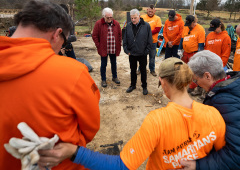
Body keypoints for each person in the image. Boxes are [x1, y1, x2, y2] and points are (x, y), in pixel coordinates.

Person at [37, 57, 226, 170]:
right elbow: (223, 157)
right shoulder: (213, 114)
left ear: (162, 82)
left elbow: (122, 166)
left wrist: (74, 151)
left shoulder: (157, 121)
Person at [0, 0, 100, 170]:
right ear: (57, 34)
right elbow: (90, 129)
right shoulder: (73, 72)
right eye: (65, 42)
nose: (62, 47)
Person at [179, 50, 240, 170]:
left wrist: (198, 165)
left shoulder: (223, 102)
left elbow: (236, 154)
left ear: (207, 76)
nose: (196, 84)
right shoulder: (233, 81)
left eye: (196, 80)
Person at [123, 9, 152, 95]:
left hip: (142, 53)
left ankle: (144, 86)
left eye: (135, 18)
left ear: (139, 16)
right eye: (132, 18)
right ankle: (133, 85)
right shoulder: (128, 26)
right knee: (133, 70)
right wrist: (126, 50)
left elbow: (150, 40)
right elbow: (125, 40)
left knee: (143, 70)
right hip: (132, 53)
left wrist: (146, 51)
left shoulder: (146, 26)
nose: (133, 20)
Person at [92, 7, 122, 88]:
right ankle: (103, 79)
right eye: (107, 17)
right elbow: (94, 36)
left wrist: (119, 43)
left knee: (113, 63)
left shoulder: (117, 23)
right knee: (103, 64)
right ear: (103, 16)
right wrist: (98, 45)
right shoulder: (98, 23)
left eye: (111, 17)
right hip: (103, 48)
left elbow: (120, 35)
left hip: (113, 48)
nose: (109, 19)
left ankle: (114, 77)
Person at [178, 15, 205, 94]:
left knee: (194, 71)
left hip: (194, 53)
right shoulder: (186, 27)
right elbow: (182, 39)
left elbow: (201, 45)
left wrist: (199, 55)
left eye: (190, 25)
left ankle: (193, 87)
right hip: (186, 52)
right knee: (184, 68)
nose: (188, 26)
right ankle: (185, 82)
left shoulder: (200, 29)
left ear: (194, 22)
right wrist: (179, 49)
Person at [140, 4, 162, 76]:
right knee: (142, 56)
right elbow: (139, 27)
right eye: (149, 11)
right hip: (143, 42)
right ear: (147, 10)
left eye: (152, 11)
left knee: (152, 57)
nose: (150, 12)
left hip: (153, 41)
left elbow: (158, 29)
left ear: (154, 11)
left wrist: (148, 33)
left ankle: (152, 70)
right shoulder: (142, 17)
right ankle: (140, 69)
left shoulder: (157, 18)